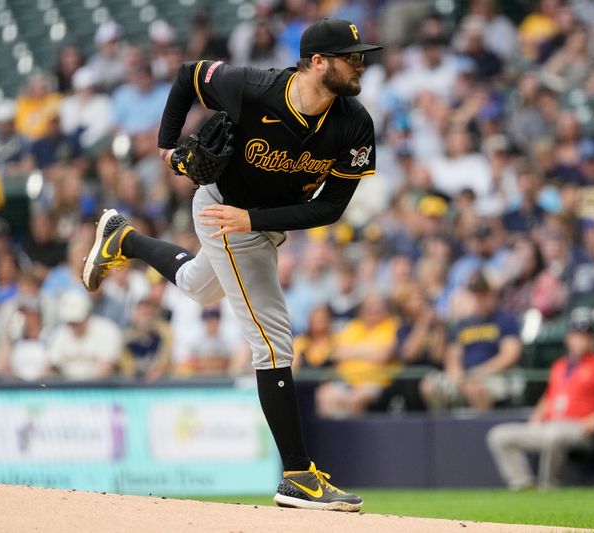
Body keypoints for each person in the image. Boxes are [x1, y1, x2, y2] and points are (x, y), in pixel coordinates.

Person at [82, 19, 381, 512]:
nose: (361, 63)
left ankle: (124, 239)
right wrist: (167, 142)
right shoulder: (253, 87)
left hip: (254, 222)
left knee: (200, 288)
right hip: (223, 211)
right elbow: (186, 75)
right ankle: (297, 475)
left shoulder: (354, 123)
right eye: (352, 56)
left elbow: (330, 209)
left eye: (362, 55)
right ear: (319, 62)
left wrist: (254, 219)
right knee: (272, 338)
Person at [487, 319, 594, 490]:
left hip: (578, 427)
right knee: (499, 436)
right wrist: (537, 416)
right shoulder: (560, 365)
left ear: (592, 341)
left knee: (554, 435)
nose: (579, 341)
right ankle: (523, 485)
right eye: (575, 336)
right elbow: (549, 396)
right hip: (551, 423)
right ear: (568, 339)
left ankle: (549, 486)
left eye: (584, 337)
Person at [421, 271, 522, 411]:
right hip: (464, 376)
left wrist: (482, 371)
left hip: (495, 376)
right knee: (429, 386)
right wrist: (456, 374)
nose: (480, 298)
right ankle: (443, 428)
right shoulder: (462, 323)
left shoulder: (505, 320)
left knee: (474, 388)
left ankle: (480, 429)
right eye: (476, 294)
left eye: (484, 293)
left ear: (493, 294)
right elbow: (453, 354)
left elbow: (510, 355)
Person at [46, 290, 122, 380]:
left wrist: (82, 387)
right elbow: (50, 365)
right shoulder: (60, 333)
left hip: (100, 388)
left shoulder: (107, 330)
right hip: (66, 389)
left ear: (87, 315)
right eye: (70, 323)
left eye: (76, 322)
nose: (73, 326)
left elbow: (107, 365)